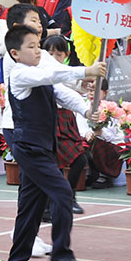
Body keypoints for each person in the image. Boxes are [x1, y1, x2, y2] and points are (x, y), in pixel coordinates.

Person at [5, 25, 106, 261]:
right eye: (31, 46)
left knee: (31, 206)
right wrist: (87, 70)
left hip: (44, 147)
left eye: (38, 45)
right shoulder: (19, 74)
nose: (37, 50)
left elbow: (63, 93)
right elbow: (50, 77)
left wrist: (86, 111)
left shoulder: (40, 72)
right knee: (62, 193)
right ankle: (61, 253)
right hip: (29, 147)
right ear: (15, 53)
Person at [43, 35, 88, 214]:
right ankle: (57, 201)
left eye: (58, 53)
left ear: (66, 54)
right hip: (50, 118)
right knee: (54, 164)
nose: (54, 57)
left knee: (80, 158)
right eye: (50, 53)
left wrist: (88, 82)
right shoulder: (42, 71)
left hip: (67, 118)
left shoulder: (68, 71)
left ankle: (69, 196)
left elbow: (80, 86)